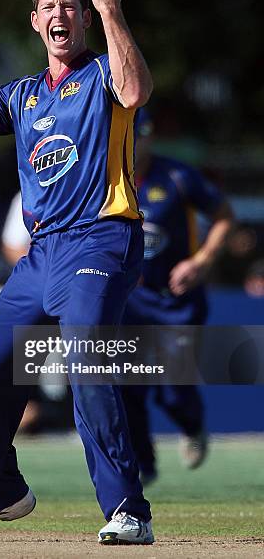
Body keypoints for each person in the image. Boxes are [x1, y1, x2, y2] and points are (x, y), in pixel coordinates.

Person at [0, 0, 154, 545]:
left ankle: (128, 511)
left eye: (70, 7)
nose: (59, 16)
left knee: (87, 359)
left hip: (102, 235)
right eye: (49, 7)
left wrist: (112, 13)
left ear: (83, 17)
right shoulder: (23, 96)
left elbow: (136, 91)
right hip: (42, 252)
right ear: (35, 21)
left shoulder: (103, 72)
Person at [120, 108, 235, 484]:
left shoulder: (178, 177)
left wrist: (200, 262)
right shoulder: (105, 178)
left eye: (138, 135)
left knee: (172, 390)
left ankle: (192, 425)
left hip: (176, 300)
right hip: (129, 301)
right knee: (128, 388)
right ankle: (143, 468)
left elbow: (223, 216)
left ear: (149, 135)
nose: (133, 144)